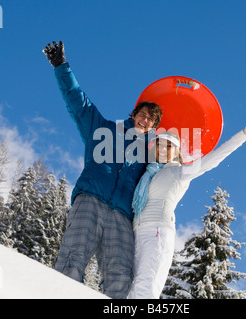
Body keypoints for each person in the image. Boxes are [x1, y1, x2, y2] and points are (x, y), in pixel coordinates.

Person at [43, 41, 163, 298]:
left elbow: (169, 175)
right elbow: (79, 104)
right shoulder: (104, 130)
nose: (145, 120)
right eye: (143, 114)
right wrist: (61, 67)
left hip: (121, 216)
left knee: (119, 278)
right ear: (134, 114)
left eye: (151, 120)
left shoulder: (149, 156)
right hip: (91, 201)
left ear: (153, 127)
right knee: (71, 261)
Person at [127, 116, 246, 299]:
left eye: (169, 146)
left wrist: (242, 136)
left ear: (177, 151)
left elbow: (212, 160)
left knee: (147, 286)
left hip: (157, 232)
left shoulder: (180, 172)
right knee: (131, 288)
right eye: (160, 145)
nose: (163, 149)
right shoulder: (149, 173)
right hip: (137, 231)